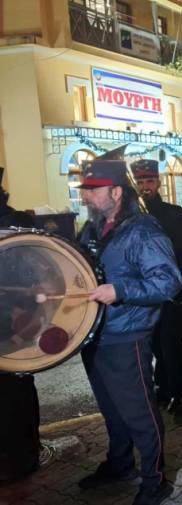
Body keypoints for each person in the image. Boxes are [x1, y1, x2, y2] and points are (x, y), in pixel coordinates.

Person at [76, 159, 182, 505]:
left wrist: (119, 291)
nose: (86, 196)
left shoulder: (143, 230)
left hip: (127, 337)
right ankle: (120, 464)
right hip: (93, 335)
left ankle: (156, 480)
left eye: (93, 190)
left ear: (116, 192)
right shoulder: (92, 229)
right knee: (112, 409)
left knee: (139, 413)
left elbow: (169, 282)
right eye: (85, 190)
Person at [132, 160, 182, 417]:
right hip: (147, 290)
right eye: (141, 182)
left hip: (173, 287)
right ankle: (163, 387)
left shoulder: (174, 212)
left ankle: (178, 393)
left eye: (150, 181)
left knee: (172, 342)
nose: (146, 187)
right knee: (155, 342)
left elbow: (181, 248)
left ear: (158, 183)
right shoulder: (133, 215)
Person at [0, 171, 40, 484]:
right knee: (15, 389)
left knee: (16, 389)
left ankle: (21, 455)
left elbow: (33, 273)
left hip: (12, 320)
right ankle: (19, 453)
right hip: (10, 319)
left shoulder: (18, 223)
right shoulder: (18, 220)